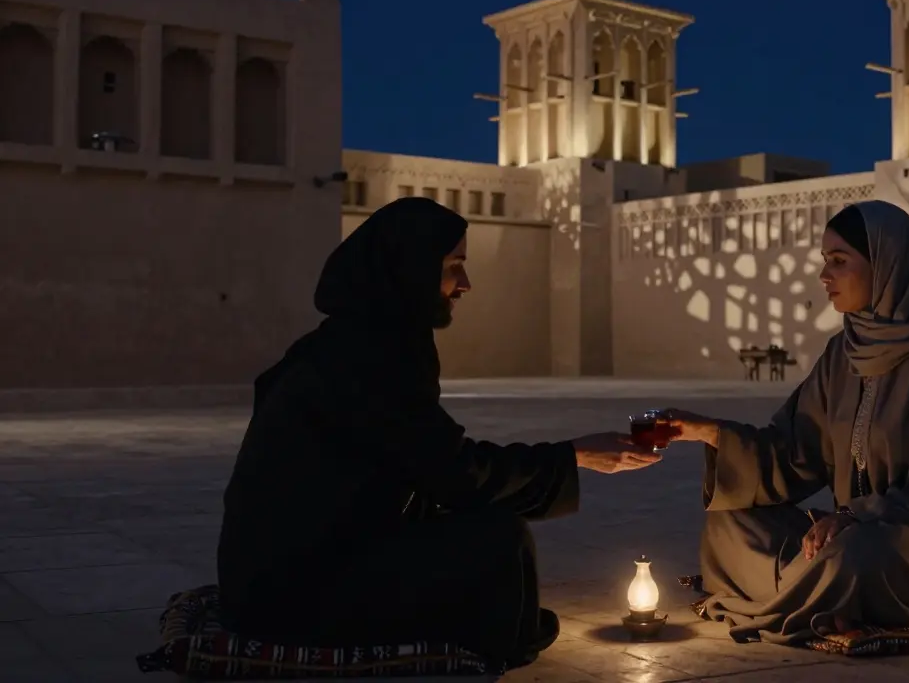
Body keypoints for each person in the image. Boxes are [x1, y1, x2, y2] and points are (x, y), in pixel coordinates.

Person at [216, 197, 660, 669]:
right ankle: (505, 639)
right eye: (454, 266)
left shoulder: (353, 340)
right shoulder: (366, 356)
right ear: (411, 268)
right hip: (293, 593)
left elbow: (421, 462)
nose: (464, 284)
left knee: (467, 531)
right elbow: (454, 472)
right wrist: (573, 456)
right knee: (497, 538)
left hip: (281, 577)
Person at [663, 200, 909, 646]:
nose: (824, 276)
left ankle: (804, 592)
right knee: (728, 523)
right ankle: (819, 597)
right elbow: (796, 450)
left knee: (854, 557)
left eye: (839, 261)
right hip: (847, 535)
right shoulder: (844, 352)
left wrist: (855, 516)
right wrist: (710, 432)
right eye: (824, 261)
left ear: (887, 266)